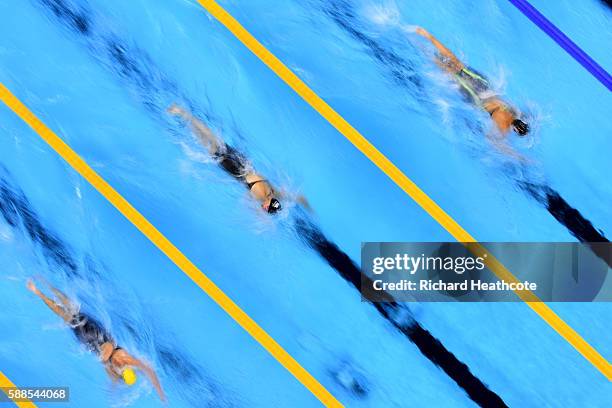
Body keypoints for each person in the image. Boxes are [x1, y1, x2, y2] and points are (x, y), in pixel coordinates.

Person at [26, 280, 166, 402]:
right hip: (87, 342)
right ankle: (38, 291)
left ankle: (44, 286)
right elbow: (116, 382)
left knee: (72, 309)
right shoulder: (115, 374)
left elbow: (149, 370)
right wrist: (114, 390)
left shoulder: (126, 360)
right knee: (65, 315)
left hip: (95, 334)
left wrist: (160, 391)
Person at [168, 104, 309, 213]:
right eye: (267, 208)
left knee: (212, 139)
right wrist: (259, 215)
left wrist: (307, 206)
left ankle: (185, 114)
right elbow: (247, 200)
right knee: (206, 143)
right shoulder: (260, 195)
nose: (264, 209)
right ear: (269, 203)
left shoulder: (275, 192)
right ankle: (183, 113)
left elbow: (298, 197)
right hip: (233, 167)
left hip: (241, 161)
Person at [415, 27, 530, 142]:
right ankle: (422, 47)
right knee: (449, 70)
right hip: (476, 96)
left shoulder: (515, 112)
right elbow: (493, 141)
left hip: (484, 85)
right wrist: (518, 157)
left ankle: (427, 36)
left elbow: (522, 113)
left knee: (457, 64)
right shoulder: (503, 128)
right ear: (514, 130)